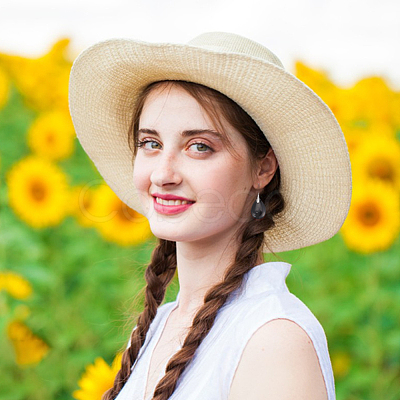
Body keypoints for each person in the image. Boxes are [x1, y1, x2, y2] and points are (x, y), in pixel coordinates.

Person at [68, 32, 352, 400]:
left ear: (262, 169)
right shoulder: (164, 324)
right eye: (150, 143)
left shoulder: (272, 341)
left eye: (199, 146)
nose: (163, 173)